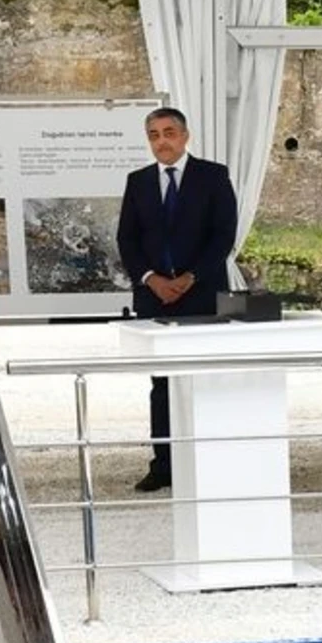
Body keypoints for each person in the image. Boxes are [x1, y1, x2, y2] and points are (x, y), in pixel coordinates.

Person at [116, 107, 238, 492]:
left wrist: (191, 276)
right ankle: (164, 463)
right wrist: (152, 280)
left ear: (185, 136)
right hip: (156, 299)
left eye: (169, 132)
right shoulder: (137, 182)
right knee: (162, 384)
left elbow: (223, 235)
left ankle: (211, 459)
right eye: (153, 134)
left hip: (201, 294)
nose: (161, 141)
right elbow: (128, 239)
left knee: (204, 380)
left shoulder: (213, 177)